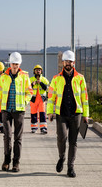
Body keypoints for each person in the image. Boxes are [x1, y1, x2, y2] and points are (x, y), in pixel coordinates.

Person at [47, 50, 89, 178]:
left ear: (74, 62)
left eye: (70, 61)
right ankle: (62, 157)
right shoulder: (56, 78)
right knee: (61, 138)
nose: (68, 64)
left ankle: (70, 167)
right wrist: (49, 112)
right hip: (62, 114)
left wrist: (86, 115)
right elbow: (51, 97)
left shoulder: (80, 78)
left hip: (76, 114)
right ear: (62, 63)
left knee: (73, 141)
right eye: (66, 61)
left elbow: (84, 98)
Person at [0, 52, 33, 172]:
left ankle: (16, 163)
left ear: (19, 64)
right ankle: (6, 161)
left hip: (19, 111)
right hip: (6, 110)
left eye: (16, 64)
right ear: (9, 64)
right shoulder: (4, 77)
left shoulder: (25, 76)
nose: (14, 66)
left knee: (18, 137)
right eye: (13, 64)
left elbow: (30, 92)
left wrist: (24, 101)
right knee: (7, 136)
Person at [30, 65, 49, 134]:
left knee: (42, 113)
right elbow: (27, 89)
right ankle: (34, 127)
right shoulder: (31, 79)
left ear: (41, 71)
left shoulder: (44, 79)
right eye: (36, 70)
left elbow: (48, 89)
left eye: (39, 70)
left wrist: (41, 83)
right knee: (33, 113)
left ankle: (43, 128)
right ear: (34, 71)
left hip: (42, 99)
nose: (38, 71)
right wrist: (32, 84)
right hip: (33, 99)